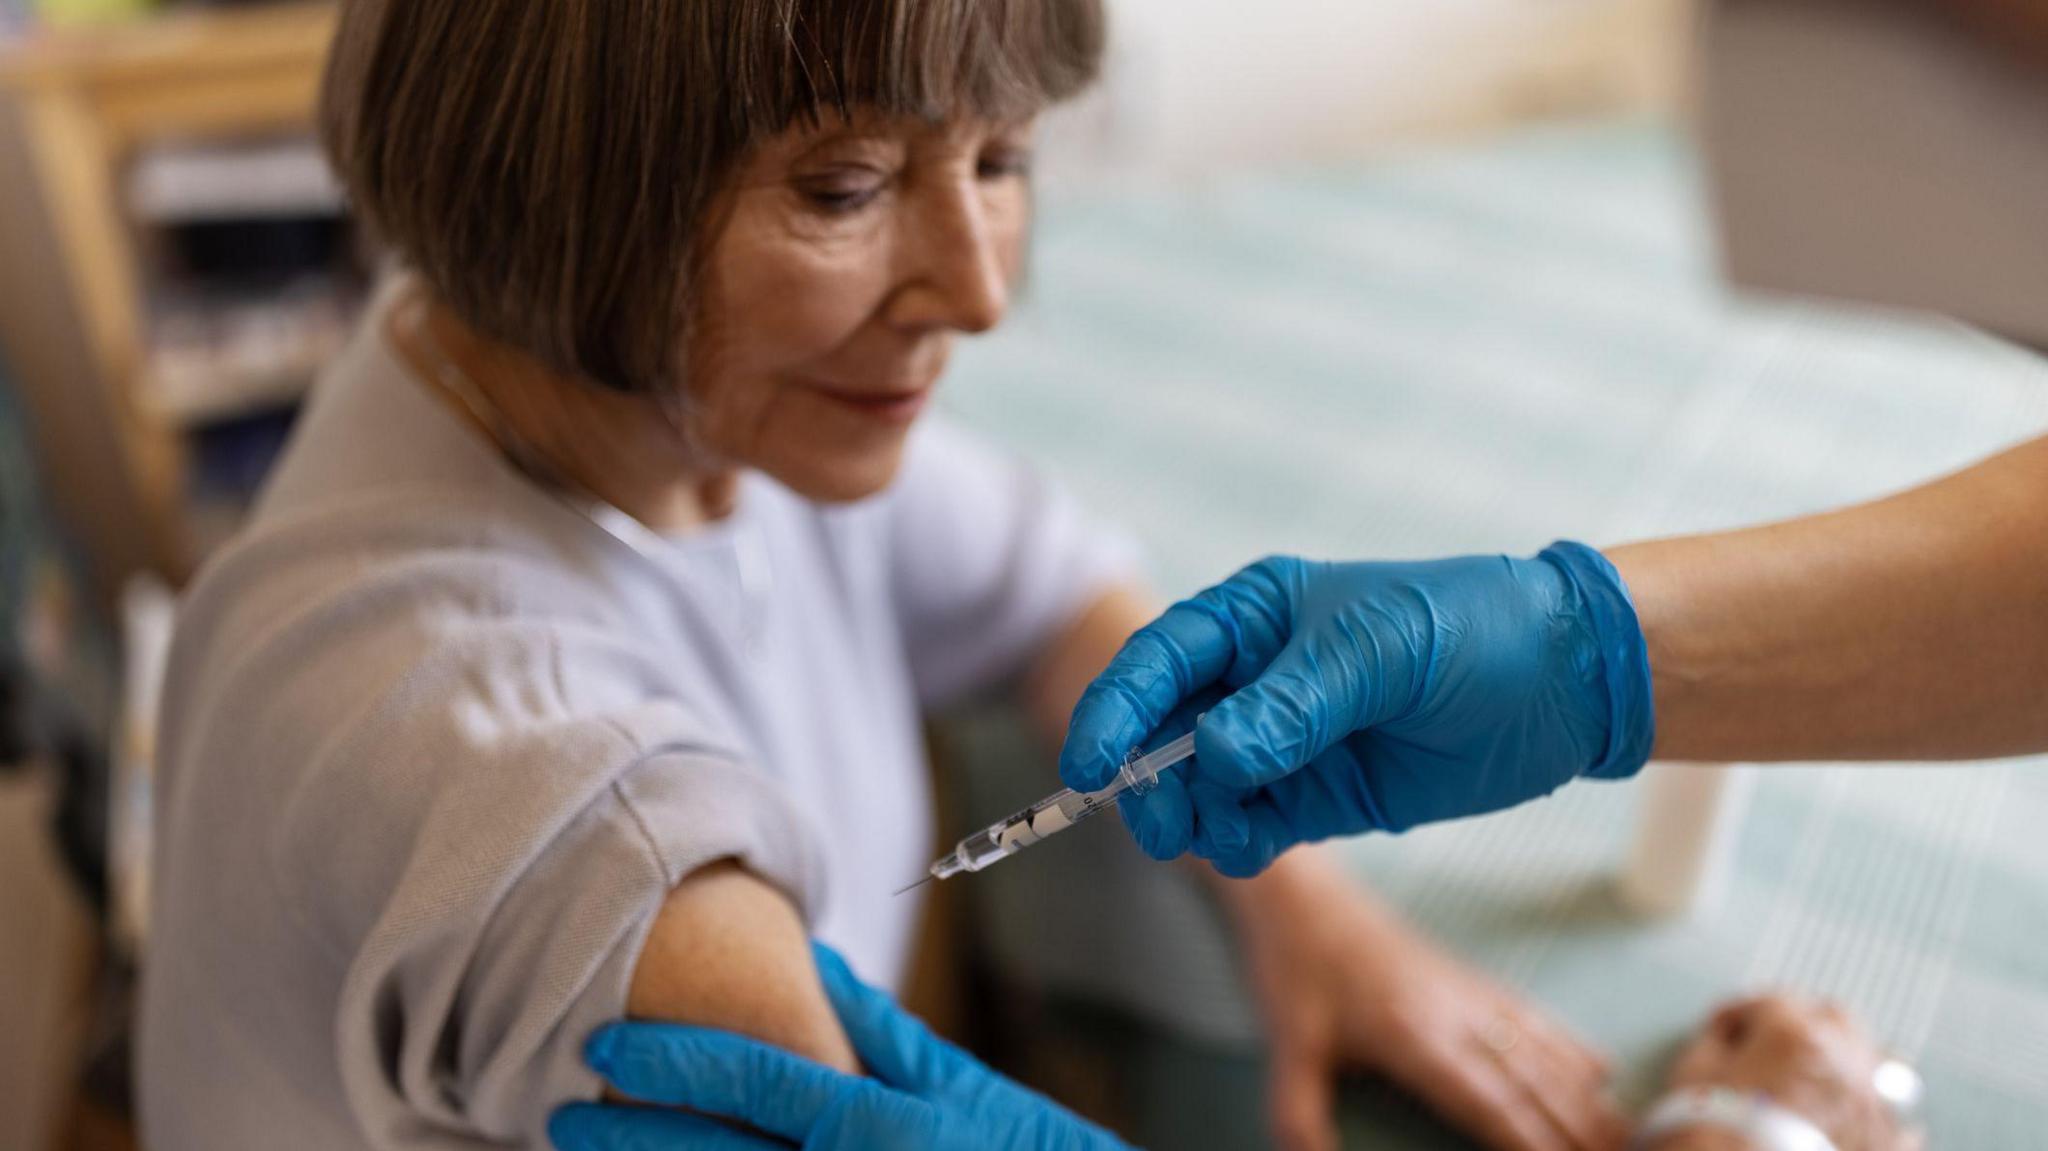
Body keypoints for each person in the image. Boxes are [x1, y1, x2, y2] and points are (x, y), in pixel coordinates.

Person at [139, 4, 1628, 1151]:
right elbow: (708, 967)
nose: (980, 291)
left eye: (1003, 157)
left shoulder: (672, 396)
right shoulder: (549, 800)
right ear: (544, 183)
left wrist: (1319, 920)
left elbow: (1051, 591)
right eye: (847, 187)